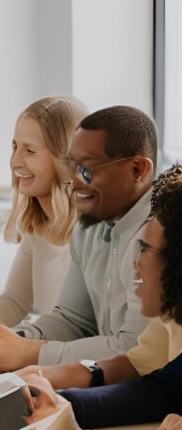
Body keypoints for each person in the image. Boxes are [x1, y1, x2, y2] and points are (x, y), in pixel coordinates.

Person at [0, 105, 157, 370]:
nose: (73, 180)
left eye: (87, 169)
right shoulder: (89, 225)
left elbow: (134, 350)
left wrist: (31, 353)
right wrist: (15, 338)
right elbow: (73, 320)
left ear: (138, 170)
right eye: (72, 166)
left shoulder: (161, 235)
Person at [14, 164, 182, 428]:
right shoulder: (173, 317)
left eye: (145, 249)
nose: (134, 262)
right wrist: (62, 400)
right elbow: (160, 386)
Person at [0, 95, 87, 332]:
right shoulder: (38, 229)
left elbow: (80, 331)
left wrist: (21, 344)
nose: (15, 162)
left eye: (29, 151)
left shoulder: (94, 234)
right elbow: (10, 305)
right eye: (14, 147)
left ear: (65, 159)